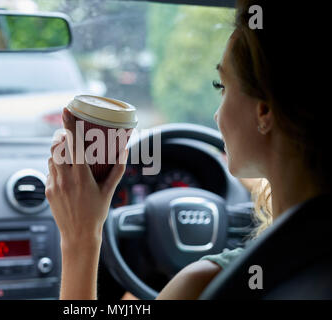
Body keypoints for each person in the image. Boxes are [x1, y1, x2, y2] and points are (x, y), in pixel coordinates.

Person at [45, 0, 331, 300]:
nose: (216, 115)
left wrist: (81, 238)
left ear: (264, 112)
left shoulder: (204, 283)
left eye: (221, 86)